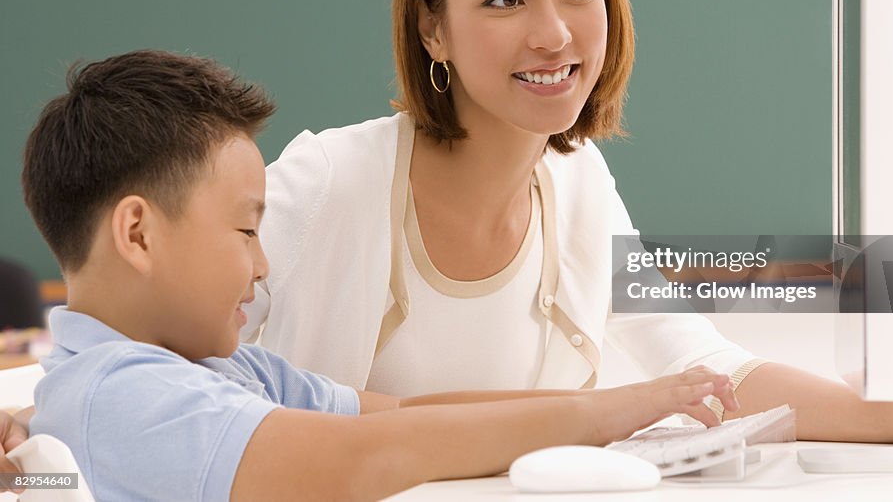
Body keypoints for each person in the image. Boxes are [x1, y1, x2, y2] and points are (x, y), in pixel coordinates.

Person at [240, 0, 893, 444]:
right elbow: (178, 377)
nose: (553, 34)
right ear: (431, 27)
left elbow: (710, 367)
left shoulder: (578, 185)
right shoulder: (328, 182)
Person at [0, 50, 737, 500]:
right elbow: (362, 461)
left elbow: (403, 415)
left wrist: (620, 412)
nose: (261, 264)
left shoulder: (220, 373)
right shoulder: (121, 395)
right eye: (246, 229)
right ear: (137, 233)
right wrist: (601, 414)